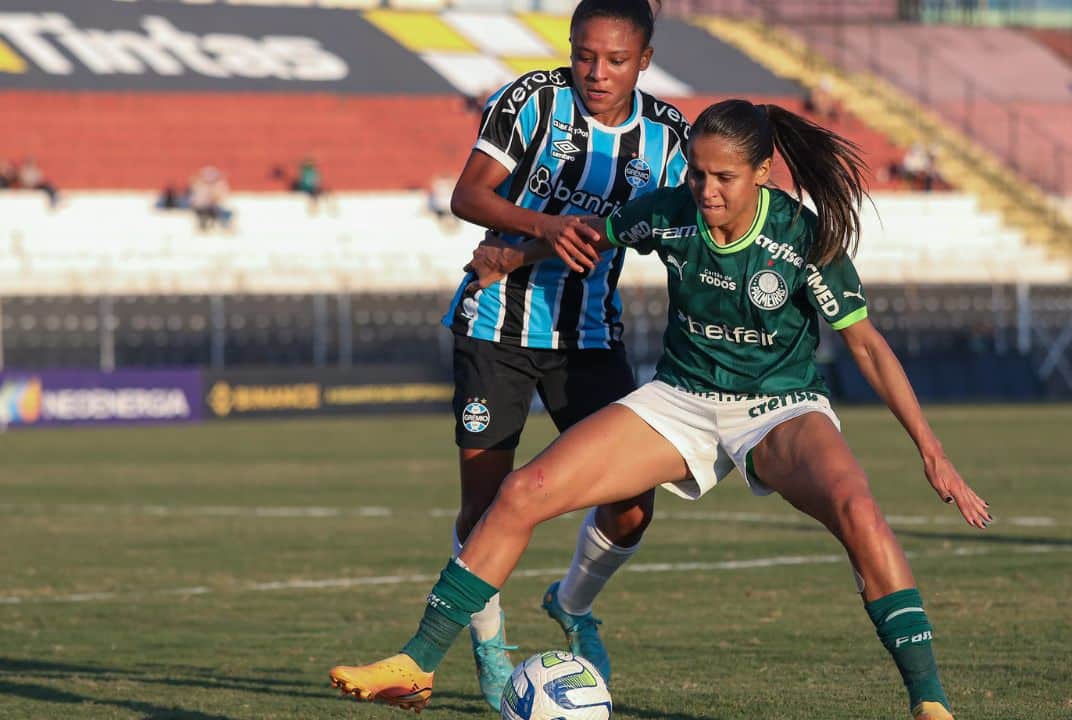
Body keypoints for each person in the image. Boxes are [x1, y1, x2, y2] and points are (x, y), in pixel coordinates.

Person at [330, 99, 990, 720]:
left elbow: (867, 347)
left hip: (779, 407)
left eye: (725, 178)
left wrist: (934, 454)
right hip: (680, 398)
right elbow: (594, 233)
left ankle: (928, 701)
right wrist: (517, 252)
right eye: (698, 174)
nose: (707, 191)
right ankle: (417, 664)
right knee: (524, 490)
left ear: (762, 173)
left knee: (857, 509)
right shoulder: (672, 211)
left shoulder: (800, 238)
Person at [329, 0, 690, 712]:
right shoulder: (531, 100)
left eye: (615, 60)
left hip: (590, 338)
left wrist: (525, 245)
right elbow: (469, 194)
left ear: (644, 61)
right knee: (486, 508)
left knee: (632, 508)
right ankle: (491, 651)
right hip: (495, 328)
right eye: (585, 55)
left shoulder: (669, 137)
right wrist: (542, 227)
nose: (596, 72)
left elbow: (659, 224)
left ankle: (574, 604)